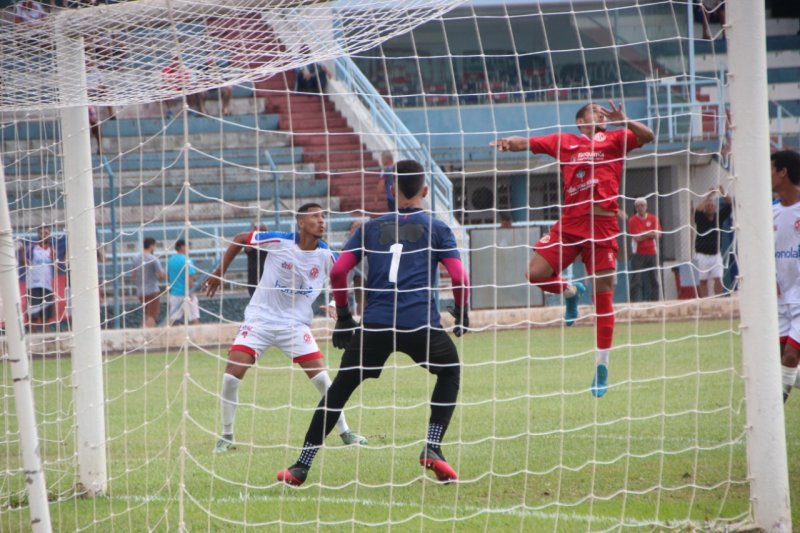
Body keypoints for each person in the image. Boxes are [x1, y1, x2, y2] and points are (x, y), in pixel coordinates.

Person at [277, 160, 470, 486]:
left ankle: (301, 466)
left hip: (376, 324)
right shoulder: (437, 228)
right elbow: (459, 278)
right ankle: (432, 447)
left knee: (338, 391)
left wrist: (345, 317)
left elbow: (339, 272)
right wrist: (463, 311)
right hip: (419, 323)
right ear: (425, 190)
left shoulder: (370, 227)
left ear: (392, 191)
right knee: (449, 371)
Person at [490, 100, 654, 398]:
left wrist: (625, 120)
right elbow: (528, 142)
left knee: (603, 294)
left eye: (603, 111)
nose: (601, 113)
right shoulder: (565, 142)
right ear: (581, 121)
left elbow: (648, 137)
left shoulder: (616, 139)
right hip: (571, 224)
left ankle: (602, 366)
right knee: (535, 273)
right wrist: (506, 143)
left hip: (603, 228)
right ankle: (569, 291)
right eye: (594, 110)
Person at [205, 203, 367, 452]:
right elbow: (240, 238)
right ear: (301, 223)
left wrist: (336, 303)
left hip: (294, 326)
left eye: (323, 216)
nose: (322, 220)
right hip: (259, 320)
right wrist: (219, 272)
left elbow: (341, 278)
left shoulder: (325, 255)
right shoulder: (279, 242)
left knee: (324, 381)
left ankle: (345, 432)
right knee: (231, 376)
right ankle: (226, 436)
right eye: (315, 216)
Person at [770, 150, 800, 402]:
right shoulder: (771, 212)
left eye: (770, 170)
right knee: (780, 361)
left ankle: (773, 416)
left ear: (783, 172)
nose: (766, 176)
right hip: (781, 300)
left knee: (790, 356)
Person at [693, 186, 732, 298]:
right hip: (702, 255)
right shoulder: (700, 218)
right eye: (708, 206)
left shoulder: (718, 218)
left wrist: (723, 192)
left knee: (718, 279)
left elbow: (730, 205)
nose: (710, 207)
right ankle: (705, 301)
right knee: (703, 280)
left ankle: (718, 300)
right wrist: (708, 196)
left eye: (712, 205)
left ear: (715, 208)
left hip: (715, 254)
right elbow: (698, 209)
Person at [21, 225, 57, 332]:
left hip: (46, 284)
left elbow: (56, 267)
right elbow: (26, 265)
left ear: (49, 235)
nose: (43, 235)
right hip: (33, 284)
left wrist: (54, 260)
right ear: (38, 235)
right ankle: (33, 335)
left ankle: (47, 335)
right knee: (33, 312)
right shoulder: (32, 248)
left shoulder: (52, 250)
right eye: (41, 233)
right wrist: (22, 253)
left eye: (46, 233)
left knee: (46, 312)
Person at [627, 197, 662, 302]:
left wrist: (644, 233)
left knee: (654, 279)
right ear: (635, 208)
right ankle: (633, 303)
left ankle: (655, 301)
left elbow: (659, 234)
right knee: (636, 280)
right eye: (638, 206)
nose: (640, 208)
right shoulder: (632, 220)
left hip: (652, 252)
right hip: (638, 254)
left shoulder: (653, 218)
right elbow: (636, 238)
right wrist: (650, 233)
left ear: (646, 206)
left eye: (642, 205)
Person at [131, 237, 167, 328]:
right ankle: (145, 334)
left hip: (140, 291)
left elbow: (133, 274)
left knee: (147, 314)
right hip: (152, 290)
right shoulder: (153, 259)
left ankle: (147, 331)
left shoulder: (135, 258)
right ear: (151, 246)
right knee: (152, 315)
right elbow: (161, 274)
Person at [167, 239, 200, 325]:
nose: (189, 249)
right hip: (186, 293)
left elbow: (168, 276)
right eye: (188, 246)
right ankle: (197, 336)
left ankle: (166, 334)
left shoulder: (170, 260)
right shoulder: (187, 259)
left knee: (172, 318)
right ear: (182, 247)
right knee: (194, 317)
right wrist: (192, 292)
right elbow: (190, 277)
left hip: (174, 293)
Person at [244, 223, 269, 297]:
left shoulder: (267, 244)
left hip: (265, 279)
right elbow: (248, 249)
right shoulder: (252, 245)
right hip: (254, 280)